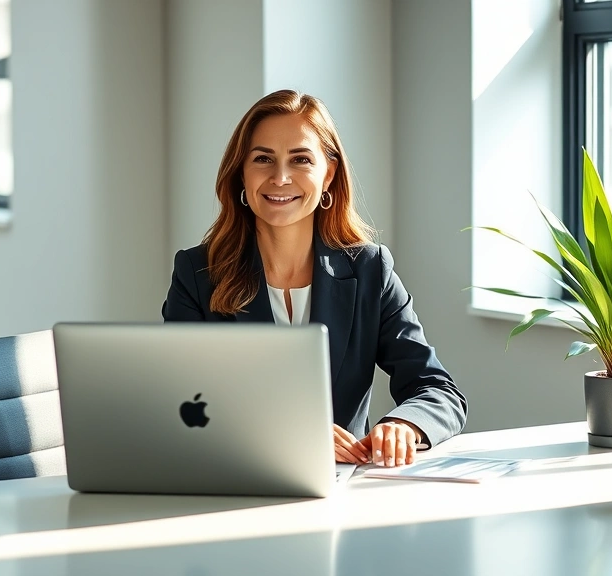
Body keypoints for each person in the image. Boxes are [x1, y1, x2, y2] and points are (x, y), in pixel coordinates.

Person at [162, 89, 467, 468]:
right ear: (241, 172)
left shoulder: (370, 270)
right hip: (234, 483)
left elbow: (438, 390)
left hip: (342, 491)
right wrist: (293, 433)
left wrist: (405, 423)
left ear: (329, 175)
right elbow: (179, 404)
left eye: (301, 159)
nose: (280, 177)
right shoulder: (197, 274)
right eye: (263, 159)